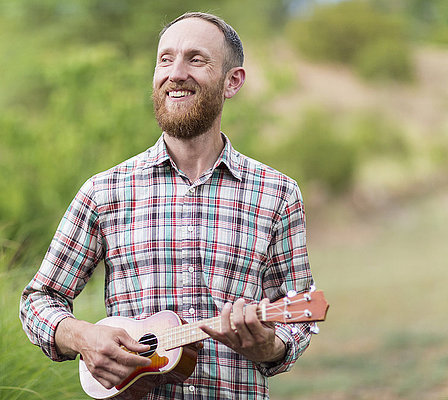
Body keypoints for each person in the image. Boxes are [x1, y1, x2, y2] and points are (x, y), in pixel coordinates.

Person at [20, 11, 315, 399]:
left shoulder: (277, 194)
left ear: (232, 82)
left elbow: (299, 311)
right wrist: (82, 336)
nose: (175, 73)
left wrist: (271, 346)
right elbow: (39, 301)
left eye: (196, 59)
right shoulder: (105, 191)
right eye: (165, 59)